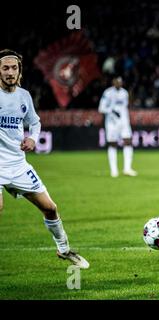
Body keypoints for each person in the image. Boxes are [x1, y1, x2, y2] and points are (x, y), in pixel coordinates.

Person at [0, 49, 89, 269]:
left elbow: (35, 122)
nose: (10, 72)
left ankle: (64, 249)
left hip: (18, 165)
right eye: (5, 68)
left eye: (14, 68)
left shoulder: (24, 96)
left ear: (19, 71)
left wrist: (32, 138)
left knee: (50, 208)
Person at [98, 76, 137, 178]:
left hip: (124, 121)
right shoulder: (108, 93)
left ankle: (127, 168)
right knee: (113, 144)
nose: (119, 83)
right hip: (111, 123)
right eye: (117, 81)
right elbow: (101, 108)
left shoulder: (125, 93)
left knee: (128, 141)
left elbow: (125, 107)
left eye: (120, 81)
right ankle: (114, 170)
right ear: (113, 82)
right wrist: (112, 111)